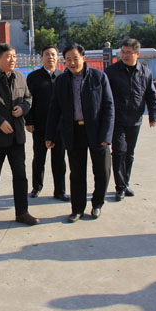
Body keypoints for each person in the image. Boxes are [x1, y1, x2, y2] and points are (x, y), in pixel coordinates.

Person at [45, 44, 114, 223]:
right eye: (68, 60)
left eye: (75, 58)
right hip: (73, 131)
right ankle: (77, 209)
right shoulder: (61, 81)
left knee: (102, 171)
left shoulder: (99, 77)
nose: (72, 63)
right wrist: (50, 135)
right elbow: (54, 109)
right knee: (76, 173)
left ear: (83, 58)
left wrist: (106, 135)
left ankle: (97, 204)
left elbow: (109, 107)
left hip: (97, 131)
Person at [0, 43, 39, 226]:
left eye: (14, 56)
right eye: (8, 57)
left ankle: (22, 212)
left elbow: (28, 98)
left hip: (17, 136)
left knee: (20, 174)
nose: (12, 60)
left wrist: (23, 108)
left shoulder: (20, 77)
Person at [105, 38, 156, 201]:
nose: (125, 55)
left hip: (135, 119)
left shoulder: (145, 72)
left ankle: (125, 183)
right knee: (119, 151)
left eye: (128, 53)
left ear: (137, 54)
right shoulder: (111, 72)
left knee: (129, 153)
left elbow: (151, 95)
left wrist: (154, 116)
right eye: (123, 52)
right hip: (117, 119)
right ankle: (120, 187)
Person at [26, 46, 69, 201]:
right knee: (39, 158)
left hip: (59, 126)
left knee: (59, 160)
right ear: (41, 58)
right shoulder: (33, 77)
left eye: (53, 54)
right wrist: (29, 121)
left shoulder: (64, 76)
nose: (50, 57)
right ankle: (36, 187)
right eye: (47, 54)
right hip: (40, 124)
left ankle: (60, 191)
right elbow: (27, 100)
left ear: (58, 58)